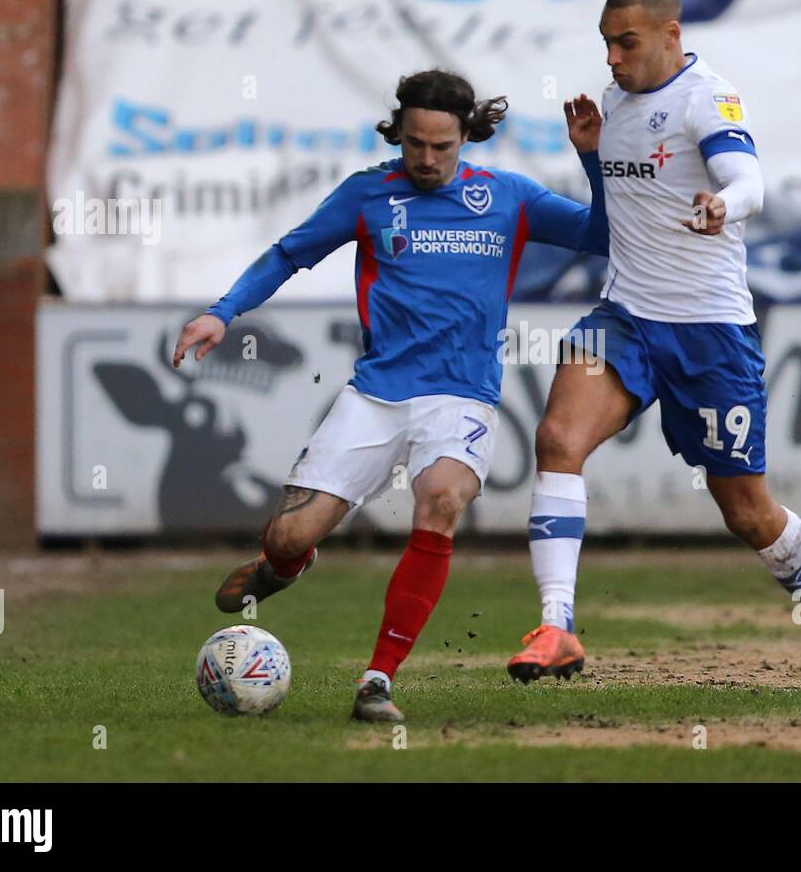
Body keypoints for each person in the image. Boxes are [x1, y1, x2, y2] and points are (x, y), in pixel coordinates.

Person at [173, 70, 608, 722]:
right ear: (397, 133)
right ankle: (281, 564)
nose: (427, 160)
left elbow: (602, 234)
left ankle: (377, 679)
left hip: (462, 397)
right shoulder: (368, 195)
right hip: (376, 393)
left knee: (440, 498)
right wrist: (222, 312)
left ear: (467, 135)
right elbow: (289, 253)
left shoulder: (510, 198)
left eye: (441, 146)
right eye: (414, 145)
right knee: (293, 532)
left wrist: (592, 159)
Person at [506, 0, 801, 707]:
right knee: (557, 438)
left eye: (626, 42)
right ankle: (557, 626)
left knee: (745, 511)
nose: (612, 58)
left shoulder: (708, 96)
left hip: (709, 334)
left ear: (671, 36)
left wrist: (723, 204)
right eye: (606, 44)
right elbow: (613, 223)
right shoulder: (612, 105)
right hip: (628, 318)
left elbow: (751, 182)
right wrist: (590, 156)